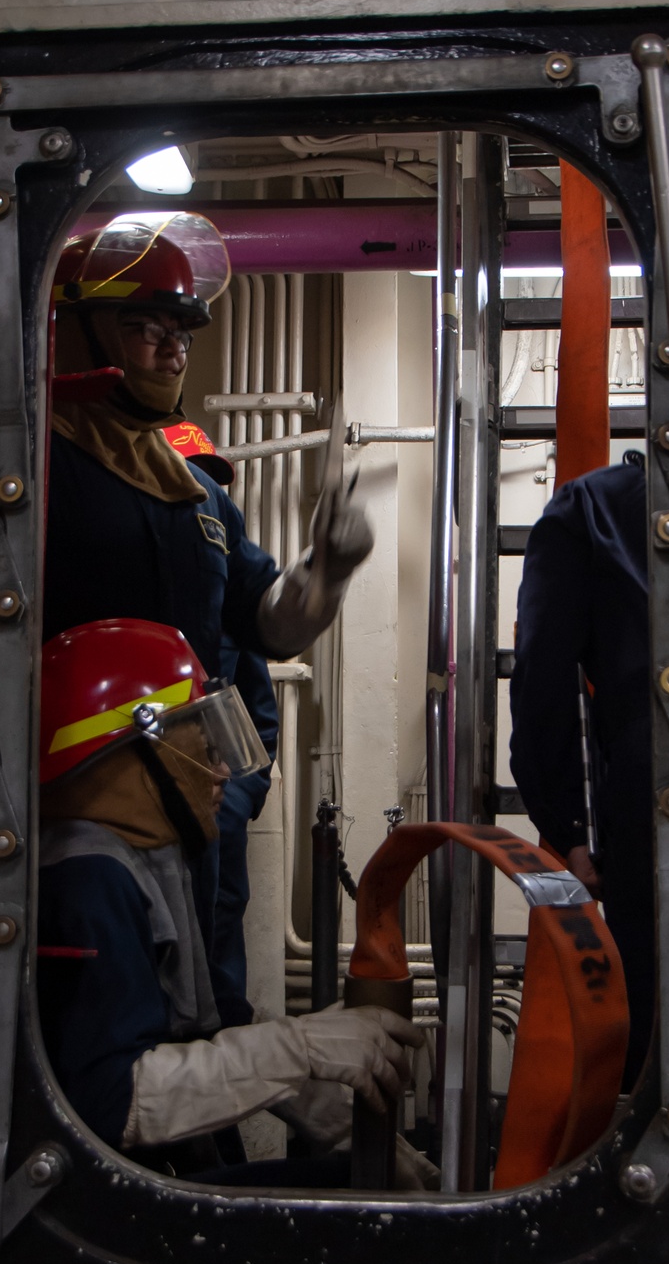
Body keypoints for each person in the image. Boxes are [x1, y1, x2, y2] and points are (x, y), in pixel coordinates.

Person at [37, 617, 431, 1188]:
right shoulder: (87, 879)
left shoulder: (147, 858)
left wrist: (351, 1130)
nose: (222, 771)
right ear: (129, 748)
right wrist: (298, 1047)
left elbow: (213, 1022)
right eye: (201, 746)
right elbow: (109, 1102)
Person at [44, 217, 371, 679]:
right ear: (76, 329)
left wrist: (325, 572)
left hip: (185, 749)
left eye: (181, 334)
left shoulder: (196, 491)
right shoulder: (32, 469)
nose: (174, 353)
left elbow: (269, 629)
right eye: (150, 329)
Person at [508, 454, 653, 1084]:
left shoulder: (593, 508)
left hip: (653, 804)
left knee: (654, 1046)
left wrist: (571, 828)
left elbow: (544, 681)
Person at [163, 419, 280, 1029]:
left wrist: (236, 800)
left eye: (212, 481)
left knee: (218, 955)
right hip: (139, 812)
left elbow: (259, 711)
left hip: (216, 814)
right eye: (195, 476)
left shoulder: (225, 594)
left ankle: (221, 1089)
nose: (206, 494)